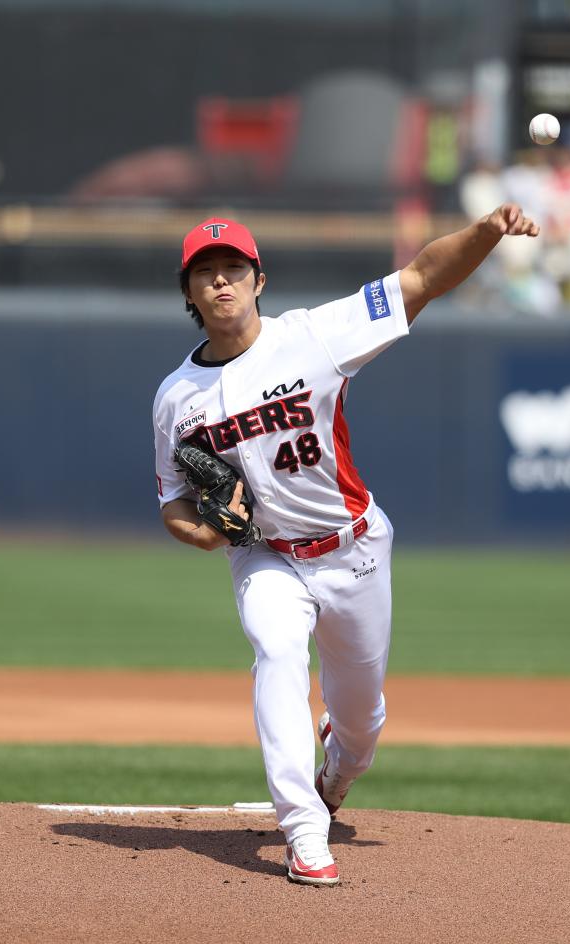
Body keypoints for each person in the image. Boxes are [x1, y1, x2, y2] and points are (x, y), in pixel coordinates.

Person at [152, 207, 539, 886]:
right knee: (276, 652)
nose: (221, 281)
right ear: (187, 290)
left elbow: (421, 277)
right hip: (266, 554)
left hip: (353, 550)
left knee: (361, 723)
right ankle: (303, 830)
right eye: (204, 273)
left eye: (234, 268)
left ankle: (341, 761)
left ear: (259, 280)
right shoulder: (175, 398)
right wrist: (205, 533)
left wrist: (485, 233)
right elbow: (174, 504)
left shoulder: (314, 336)